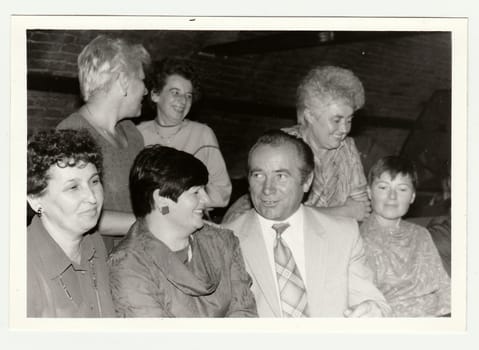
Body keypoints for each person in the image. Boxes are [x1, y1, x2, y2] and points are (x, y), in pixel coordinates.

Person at [224, 130, 390, 317]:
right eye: (258, 175)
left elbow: (372, 302)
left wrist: (371, 310)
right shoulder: (223, 241)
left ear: (307, 181)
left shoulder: (342, 234)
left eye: (281, 176)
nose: (267, 189)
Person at [108, 145, 257, 317]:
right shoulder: (129, 266)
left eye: (204, 190)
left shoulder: (223, 242)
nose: (207, 200)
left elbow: (245, 314)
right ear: (162, 200)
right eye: (196, 192)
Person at [223, 65, 370, 223]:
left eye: (349, 120)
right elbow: (276, 212)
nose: (344, 129)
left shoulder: (346, 147)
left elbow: (361, 209)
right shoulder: (281, 146)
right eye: (336, 120)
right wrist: (342, 211)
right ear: (310, 116)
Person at [57, 35, 151, 249]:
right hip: (96, 263)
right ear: (123, 81)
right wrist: (151, 224)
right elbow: (78, 212)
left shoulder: (132, 133)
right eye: (142, 80)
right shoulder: (72, 133)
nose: (145, 90)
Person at [27, 129, 115, 317]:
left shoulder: (95, 243)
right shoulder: (19, 270)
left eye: (94, 181)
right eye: (73, 187)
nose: (92, 198)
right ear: (35, 200)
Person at [360, 156, 450, 317]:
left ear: (413, 196)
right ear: (369, 192)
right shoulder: (357, 239)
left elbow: (444, 288)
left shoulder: (421, 234)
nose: (392, 196)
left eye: (402, 189)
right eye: (383, 188)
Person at [137, 57, 232, 208]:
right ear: (155, 94)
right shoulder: (137, 134)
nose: (183, 101)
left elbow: (223, 193)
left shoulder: (202, 134)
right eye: (175, 92)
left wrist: (188, 200)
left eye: (188, 95)